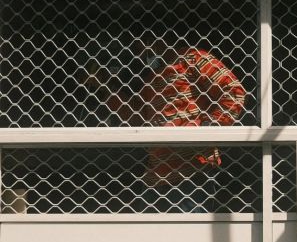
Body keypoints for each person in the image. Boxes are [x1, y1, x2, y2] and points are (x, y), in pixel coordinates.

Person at [84, 39, 247, 191]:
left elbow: (234, 92)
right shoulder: (153, 76)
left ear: (153, 40)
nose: (139, 51)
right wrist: (104, 86)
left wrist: (205, 128)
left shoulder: (193, 58)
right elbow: (137, 116)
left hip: (192, 172)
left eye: (141, 43)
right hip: (157, 176)